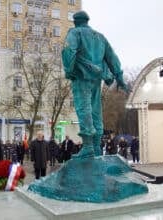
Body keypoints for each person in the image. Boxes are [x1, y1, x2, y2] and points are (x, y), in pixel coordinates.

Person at [62, 11, 127, 158]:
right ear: (87, 21)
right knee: (96, 111)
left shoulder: (75, 33)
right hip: (96, 79)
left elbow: (69, 50)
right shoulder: (100, 37)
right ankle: (97, 147)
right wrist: (119, 78)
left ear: (75, 21)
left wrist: (69, 70)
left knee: (83, 109)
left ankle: (88, 146)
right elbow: (112, 57)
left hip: (81, 77)